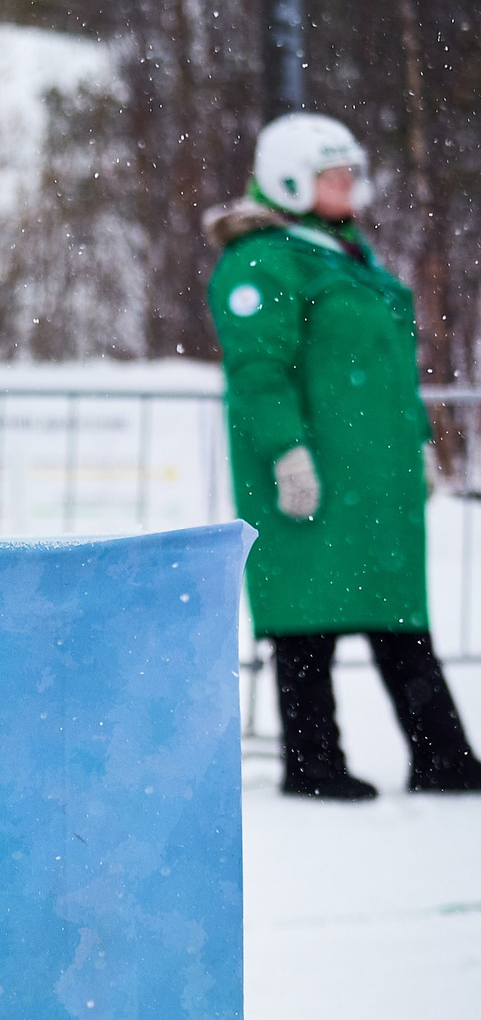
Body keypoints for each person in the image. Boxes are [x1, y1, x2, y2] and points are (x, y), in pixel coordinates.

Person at [206, 112, 481, 800]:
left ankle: (441, 756)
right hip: (314, 472)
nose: (350, 187)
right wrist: (285, 451)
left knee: (397, 614)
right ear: (290, 180)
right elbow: (259, 372)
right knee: (307, 617)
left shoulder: (346, 252)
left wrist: (415, 441)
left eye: (351, 173)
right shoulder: (261, 261)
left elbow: (389, 363)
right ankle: (314, 762)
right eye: (334, 175)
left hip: (374, 475)